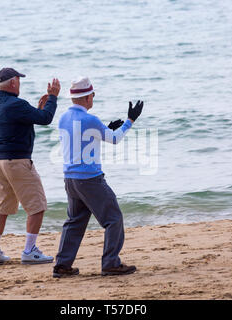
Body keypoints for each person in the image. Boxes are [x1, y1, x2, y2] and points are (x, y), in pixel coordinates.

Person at [53, 76, 143, 277]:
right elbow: (115, 139)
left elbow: (80, 140)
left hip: (70, 179)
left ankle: (62, 265)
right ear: (87, 98)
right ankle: (111, 263)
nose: (93, 98)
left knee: (74, 222)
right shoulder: (90, 119)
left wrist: (105, 129)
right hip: (90, 179)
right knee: (114, 218)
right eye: (92, 95)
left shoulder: (63, 117)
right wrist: (130, 120)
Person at [0, 67, 61, 266]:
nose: (20, 83)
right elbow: (46, 119)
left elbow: (23, 121)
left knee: (3, 208)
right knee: (37, 206)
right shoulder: (16, 104)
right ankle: (29, 251)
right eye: (19, 80)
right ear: (13, 83)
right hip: (17, 162)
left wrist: (37, 110)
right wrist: (53, 98)